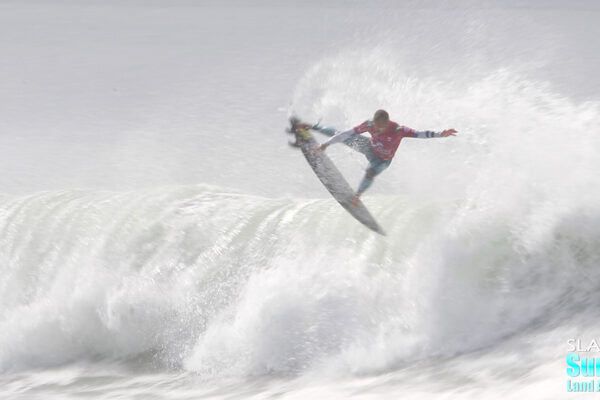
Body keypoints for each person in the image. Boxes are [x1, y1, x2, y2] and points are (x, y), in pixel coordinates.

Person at [299, 109, 456, 206]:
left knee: (370, 172)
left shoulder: (398, 129)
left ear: (387, 123)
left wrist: (440, 134)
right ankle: (312, 126)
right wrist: (326, 145)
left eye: (382, 127)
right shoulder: (369, 125)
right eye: (376, 126)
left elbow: (419, 134)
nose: (378, 129)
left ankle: (357, 196)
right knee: (339, 134)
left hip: (382, 160)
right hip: (368, 147)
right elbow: (347, 133)